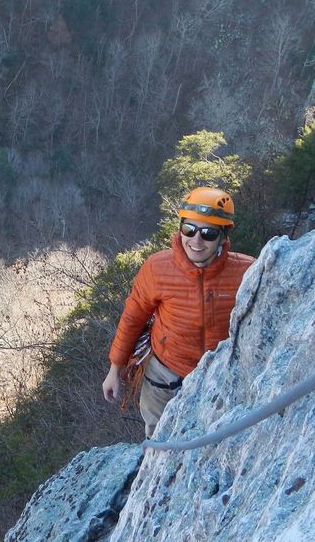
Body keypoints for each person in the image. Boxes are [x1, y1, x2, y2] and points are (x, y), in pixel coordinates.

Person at [102, 187, 256, 437]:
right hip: (164, 374)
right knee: (157, 436)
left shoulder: (247, 271)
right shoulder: (157, 268)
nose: (196, 241)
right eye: (189, 230)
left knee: (212, 438)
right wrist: (114, 369)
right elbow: (133, 318)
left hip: (218, 375)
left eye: (208, 233)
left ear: (223, 237)